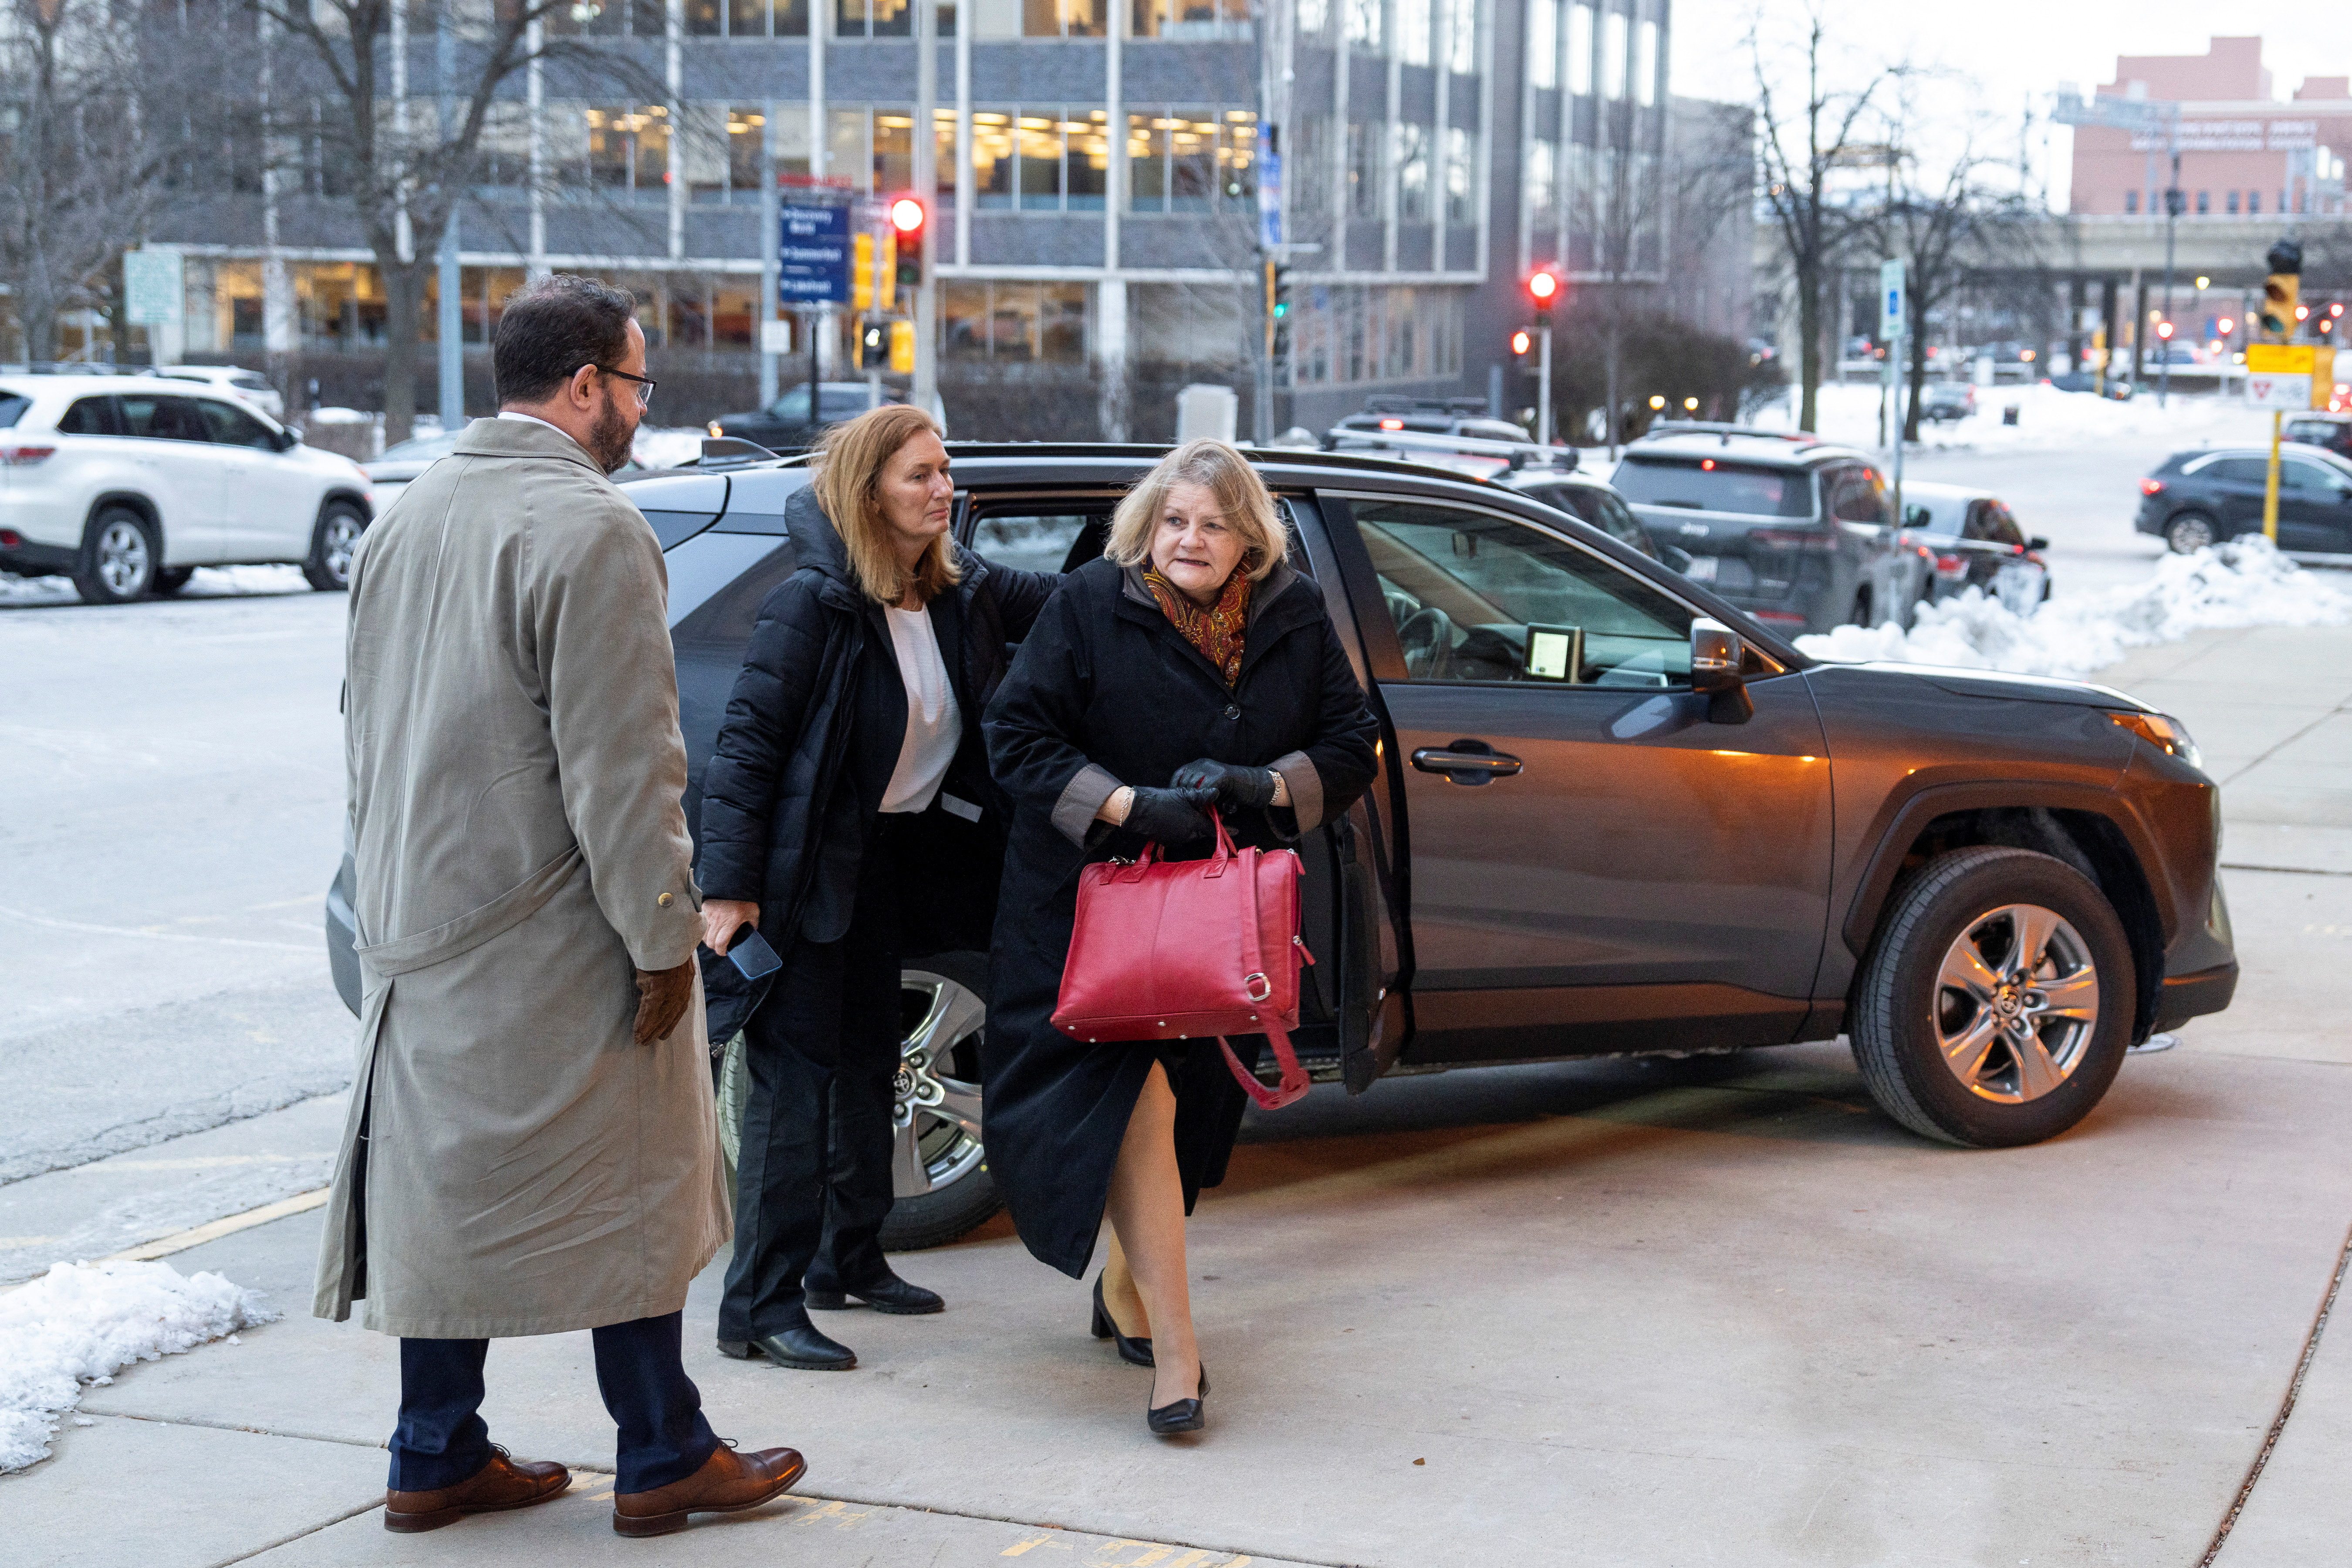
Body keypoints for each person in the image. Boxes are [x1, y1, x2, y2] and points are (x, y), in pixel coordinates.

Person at [315, 274, 804, 1539]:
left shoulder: (408, 515)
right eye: (637, 383)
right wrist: (662, 940)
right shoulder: (591, 527)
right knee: (633, 1187)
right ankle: (664, 1453)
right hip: (554, 931)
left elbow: (363, 736)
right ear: (586, 385)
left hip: (422, 928)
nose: (643, 409)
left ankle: (433, 1453)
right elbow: (625, 771)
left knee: (449, 1200)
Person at [981, 438, 1380, 1435]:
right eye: (1172, 520)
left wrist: (1264, 785)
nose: (1189, 540)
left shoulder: (1293, 614)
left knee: (1192, 1112)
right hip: (1087, 910)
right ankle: (1178, 1355)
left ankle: (1125, 1290)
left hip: (1216, 916)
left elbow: (1351, 744)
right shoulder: (1090, 602)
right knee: (1139, 1103)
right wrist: (1125, 804)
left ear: (1249, 538)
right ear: (1146, 526)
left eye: (1212, 524)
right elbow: (1016, 737)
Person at [696, 404, 1059, 1372]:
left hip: (885, 866)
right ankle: (756, 1308)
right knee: (793, 1090)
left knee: (868, 1067)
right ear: (869, 494)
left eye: (945, 470)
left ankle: (846, 1260)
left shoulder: (956, 590)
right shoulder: (813, 605)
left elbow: (1069, 599)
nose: (944, 489)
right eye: (920, 475)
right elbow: (747, 750)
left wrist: (1166, 551)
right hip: (804, 873)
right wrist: (727, 892)